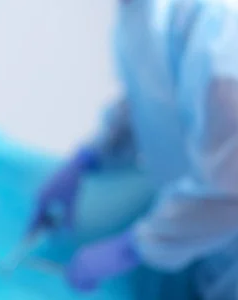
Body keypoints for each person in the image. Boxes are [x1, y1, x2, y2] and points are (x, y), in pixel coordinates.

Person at [28, 0, 238, 298]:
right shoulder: (138, 13)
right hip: (215, 254)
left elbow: (231, 186)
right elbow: (153, 102)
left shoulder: (223, 25)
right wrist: (89, 157)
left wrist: (134, 247)